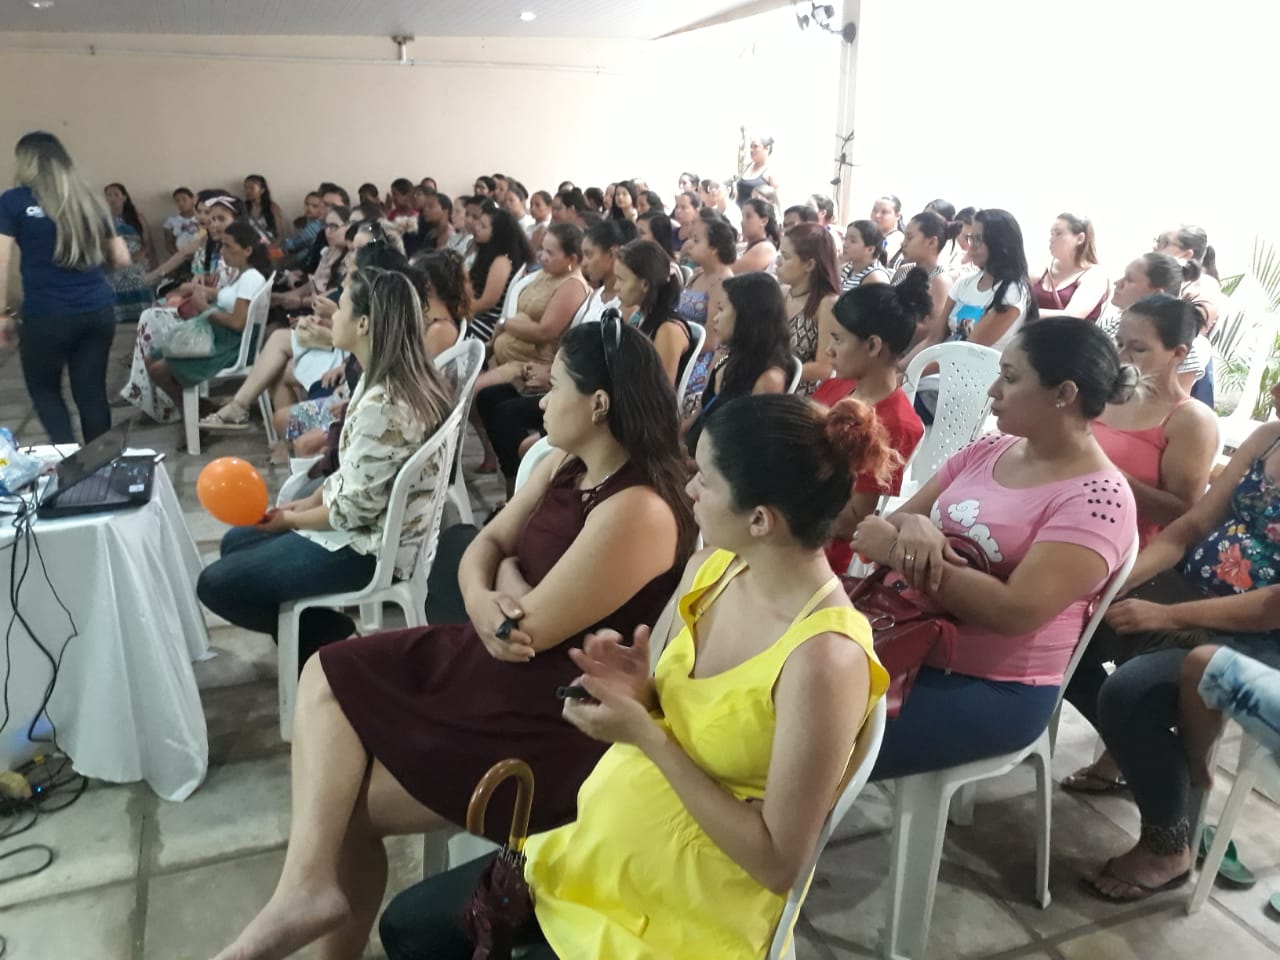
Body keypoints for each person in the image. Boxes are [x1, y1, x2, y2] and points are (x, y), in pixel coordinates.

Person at [207, 319, 697, 960]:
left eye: (555, 389)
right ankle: (306, 890)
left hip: (550, 712)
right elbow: (481, 545)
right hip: (489, 661)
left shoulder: (639, 510)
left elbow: (527, 628)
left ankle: (309, 898)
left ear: (598, 404)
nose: (540, 400)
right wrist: (487, 592)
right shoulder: (562, 465)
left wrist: (502, 589)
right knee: (327, 670)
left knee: (342, 809)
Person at [378, 391, 888, 960]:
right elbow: (674, 709)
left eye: (706, 481)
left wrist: (646, 732)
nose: (689, 488)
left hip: (685, 913)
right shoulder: (714, 568)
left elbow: (776, 863)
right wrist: (638, 688)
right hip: (604, 849)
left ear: (761, 520)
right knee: (408, 927)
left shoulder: (824, 660)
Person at [853, 318, 1137, 779]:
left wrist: (899, 550)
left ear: (1063, 393)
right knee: (769, 690)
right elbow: (892, 522)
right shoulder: (989, 450)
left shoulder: (1098, 500)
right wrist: (916, 531)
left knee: (811, 740)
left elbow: (1013, 612)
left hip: (991, 684)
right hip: (903, 637)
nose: (992, 391)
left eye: (1010, 377)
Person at [198, 265, 454, 675]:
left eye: (342, 308)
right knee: (236, 542)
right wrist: (304, 503)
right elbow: (353, 474)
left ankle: (326, 636)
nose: (332, 315)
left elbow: (349, 513)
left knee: (215, 584)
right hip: (372, 528)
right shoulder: (390, 376)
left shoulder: (383, 403)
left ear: (365, 323)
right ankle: (311, 640)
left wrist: (291, 520)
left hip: (369, 550)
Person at [1074, 417, 1280, 901]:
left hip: (1257, 637)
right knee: (1066, 626)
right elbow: (1187, 529)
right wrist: (1113, 587)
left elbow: (1272, 606)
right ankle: (1142, 761)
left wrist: (1166, 616)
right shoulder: (1268, 437)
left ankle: (1168, 843)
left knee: (1128, 693)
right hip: (1186, 592)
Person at [0, 131, 129, 444]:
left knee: (45, 391)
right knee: (91, 392)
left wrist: (3, 313)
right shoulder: (88, 199)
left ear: (26, 163)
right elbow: (122, 258)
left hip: (46, 315)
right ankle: (101, 469)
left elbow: (0, 259)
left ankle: (70, 465)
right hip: (97, 311)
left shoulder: (14, 201)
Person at [815, 271, 930, 572]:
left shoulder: (896, 423)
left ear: (873, 346)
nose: (829, 350)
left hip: (819, 550)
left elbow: (852, 519)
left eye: (838, 339)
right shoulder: (839, 386)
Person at [199, 207, 352, 432]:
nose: (354, 252)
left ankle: (248, 412)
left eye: (335, 226)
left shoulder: (368, 287)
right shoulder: (339, 263)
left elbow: (365, 338)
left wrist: (343, 358)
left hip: (348, 375)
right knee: (277, 364)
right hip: (344, 358)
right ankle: (282, 441)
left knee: (278, 362)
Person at [1092, 295, 1219, 547]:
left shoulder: (1189, 420)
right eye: (1119, 344)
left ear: (1178, 353)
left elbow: (1181, 513)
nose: (1122, 357)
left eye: (1138, 349)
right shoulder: (1102, 393)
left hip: (1122, 547)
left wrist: (1105, 473)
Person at [138, 222, 271, 419]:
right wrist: (204, 291)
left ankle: (192, 413)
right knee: (152, 358)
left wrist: (204, 308)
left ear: (247, 250)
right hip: (223, 336)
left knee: (159, 369)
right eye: (222, 246)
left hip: (233, 345)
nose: (222, 251)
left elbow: (237, 323)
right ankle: (198, 410)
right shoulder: (242, 273)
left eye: (228, 246)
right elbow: (230, 297)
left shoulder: (250, 277)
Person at [683, 272, 791, 452]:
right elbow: (702, 411)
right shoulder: (729, 356)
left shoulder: (768, 379)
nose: (716, 318)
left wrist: (693, 465)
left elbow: (748, 447)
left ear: (747, 317)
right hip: (698, 450)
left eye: (722, 310)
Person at [677, 216, 737, 417]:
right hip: (685, 347)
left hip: (703, 358)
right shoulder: (697, 274)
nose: (689, 245)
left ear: (714, 248)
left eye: (696, 240)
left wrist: (675, 350)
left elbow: (712, 341)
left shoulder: (722, 283)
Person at [615, 239, 691, 385]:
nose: (616, 287)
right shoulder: (639, 315)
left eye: (621, 280)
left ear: (645, 284)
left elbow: (660, 395)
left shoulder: (668, 331)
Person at [779, 222, 840, 396]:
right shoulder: (782, 293)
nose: (778, 262)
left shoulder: (826, 304)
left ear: (809, 265)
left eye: (786, 257)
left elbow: (824, 367)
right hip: (773, 385)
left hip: (803, 394)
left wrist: (775, 373)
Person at [467, 206, 534, 344]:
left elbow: (487, 302)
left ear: (498, 233)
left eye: (483, 226)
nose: (476, 228)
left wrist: (459, 311)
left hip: (488, 322)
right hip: (479, 315)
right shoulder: (488, 253)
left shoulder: (502, 261)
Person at [893, 211, 955, 349]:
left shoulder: (940, 281)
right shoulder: (904, 270)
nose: (903, 243)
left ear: (932, 242)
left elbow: (931, 332)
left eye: (909, 238)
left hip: (911, 355)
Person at [1032, 213, 1108, 320]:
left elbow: (1072, 316)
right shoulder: (1042, 269)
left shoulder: (1094, 275)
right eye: (1052, 234)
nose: (1051, 239)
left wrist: (1023, 314)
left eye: (1058, 233)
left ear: (1080, 238)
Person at [1098, 251, 1185, 337]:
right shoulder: (1116, 320)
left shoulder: (1160, 342)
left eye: (1129, 279)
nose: (1117, 283)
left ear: (1156, 295)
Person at [103, 182, 154, 324]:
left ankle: (142, 315)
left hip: (136, 260)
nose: (112, 198)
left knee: (138, 274)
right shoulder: (104, 220)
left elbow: (147, 243)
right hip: (114, 261)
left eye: (116, 194)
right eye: (108, 195)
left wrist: (139, 255)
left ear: (124, 197)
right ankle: (120, 316)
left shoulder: (137, 218)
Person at [732, 198, 780, 275]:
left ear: (763, 221)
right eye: (742, 216)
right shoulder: (743, 246)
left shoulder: (765, 248)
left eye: (748, 216)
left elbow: (728, 271)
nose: (742, 221)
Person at [839, 220, 890, 291]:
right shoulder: (846, 268)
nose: (845, 244)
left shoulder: (876, 277)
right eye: (845, 239)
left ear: (870, 249)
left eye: (852, 241)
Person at [736, 133, 779, 206]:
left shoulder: (771, 172)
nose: (751, 150)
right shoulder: (747, 167)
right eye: (751, 147)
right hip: (739, 214)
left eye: (755, 146)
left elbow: (775, 201)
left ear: (766, 148)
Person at [244, 174, 286, 242]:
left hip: (269, 246)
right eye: (246, 188)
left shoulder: (273, 207)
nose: (247, 191)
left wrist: (273, 247)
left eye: (252, 188)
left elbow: (280, 234)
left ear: (262, 190)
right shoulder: (243, 208)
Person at [163, 186, 201, 256]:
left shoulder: (202, 218)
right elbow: (168, 245)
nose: (181, 203)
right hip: (182, 259)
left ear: (192, 199)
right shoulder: (171, 222)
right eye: (177, 201)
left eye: (184, 199)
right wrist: (181, 256)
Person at [870, 195, 906, 264]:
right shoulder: (872, 235)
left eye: (884, 212)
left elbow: (878, 261)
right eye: (874, 210)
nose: (877, 215)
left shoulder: (896, 237)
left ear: (897, 216)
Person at [672, 190, 701, 256]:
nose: (678, 211)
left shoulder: (699, 238)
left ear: (696, 211)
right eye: (677, 207)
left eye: (683, 207)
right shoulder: (671, 233)